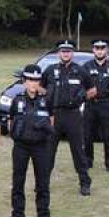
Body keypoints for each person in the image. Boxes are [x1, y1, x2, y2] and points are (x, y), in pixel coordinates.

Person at [41, 40, 95, 196]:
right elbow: (40, 87)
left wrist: (82, 96)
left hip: (73, 115)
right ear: (59, 53)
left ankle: (85, 183)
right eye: (63, 51)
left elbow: (93, 90)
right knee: (48, 151)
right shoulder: (50, 70)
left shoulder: (81, 71)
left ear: (72, 53)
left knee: (78, 151)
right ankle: (43, 183)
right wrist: (48, 96)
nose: (65, 53)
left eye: (68, 51)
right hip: (54, 115)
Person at [9, 64, 55, 217]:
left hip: (41, 147)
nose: (33, 84)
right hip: (21, 146)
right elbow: (10, 123)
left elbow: (51, 122)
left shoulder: (46, 100)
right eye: (30, 80)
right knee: (18, 182)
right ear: (24, 81)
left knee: (43, 183)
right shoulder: (18, 99)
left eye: (36, 80)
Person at [83, 38, 109, 172]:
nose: (99, 51)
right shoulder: (86, 66)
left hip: (106, 104)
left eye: (102, 48)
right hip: (90, 105)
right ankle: (88, 161)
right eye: (97, 48)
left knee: (108, 135)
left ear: (107, 50)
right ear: (93, 50)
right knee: (87, 134)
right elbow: (81, 85)